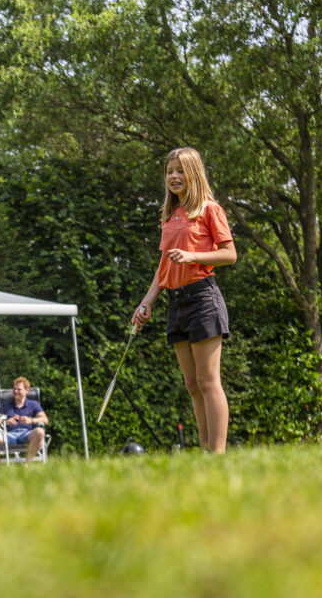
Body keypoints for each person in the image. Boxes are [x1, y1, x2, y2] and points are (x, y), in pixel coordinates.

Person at [132, 147, 236, 453]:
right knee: (192, 385)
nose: (174, 176)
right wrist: (147, 301)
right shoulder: (170, 215)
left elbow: (229, 254)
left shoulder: (209, 209)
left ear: (194, 173)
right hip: (175, 303)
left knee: (208, 381)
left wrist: (192, 255)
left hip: (202, 298)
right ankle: (204, 451)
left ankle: (217, 454)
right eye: (169, 171)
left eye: (180, 170)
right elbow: (164, 264)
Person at [0, 376, 48, 467]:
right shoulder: (6, 405)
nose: (15, 391)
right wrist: (5, 422)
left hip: (27, 434)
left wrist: (31, 420)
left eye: (19, 389)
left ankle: (27, 465)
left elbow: (45, 419)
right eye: (14, 389)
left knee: (40, 432)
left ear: (26, 390)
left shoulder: (33, 404)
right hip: (9, 435)